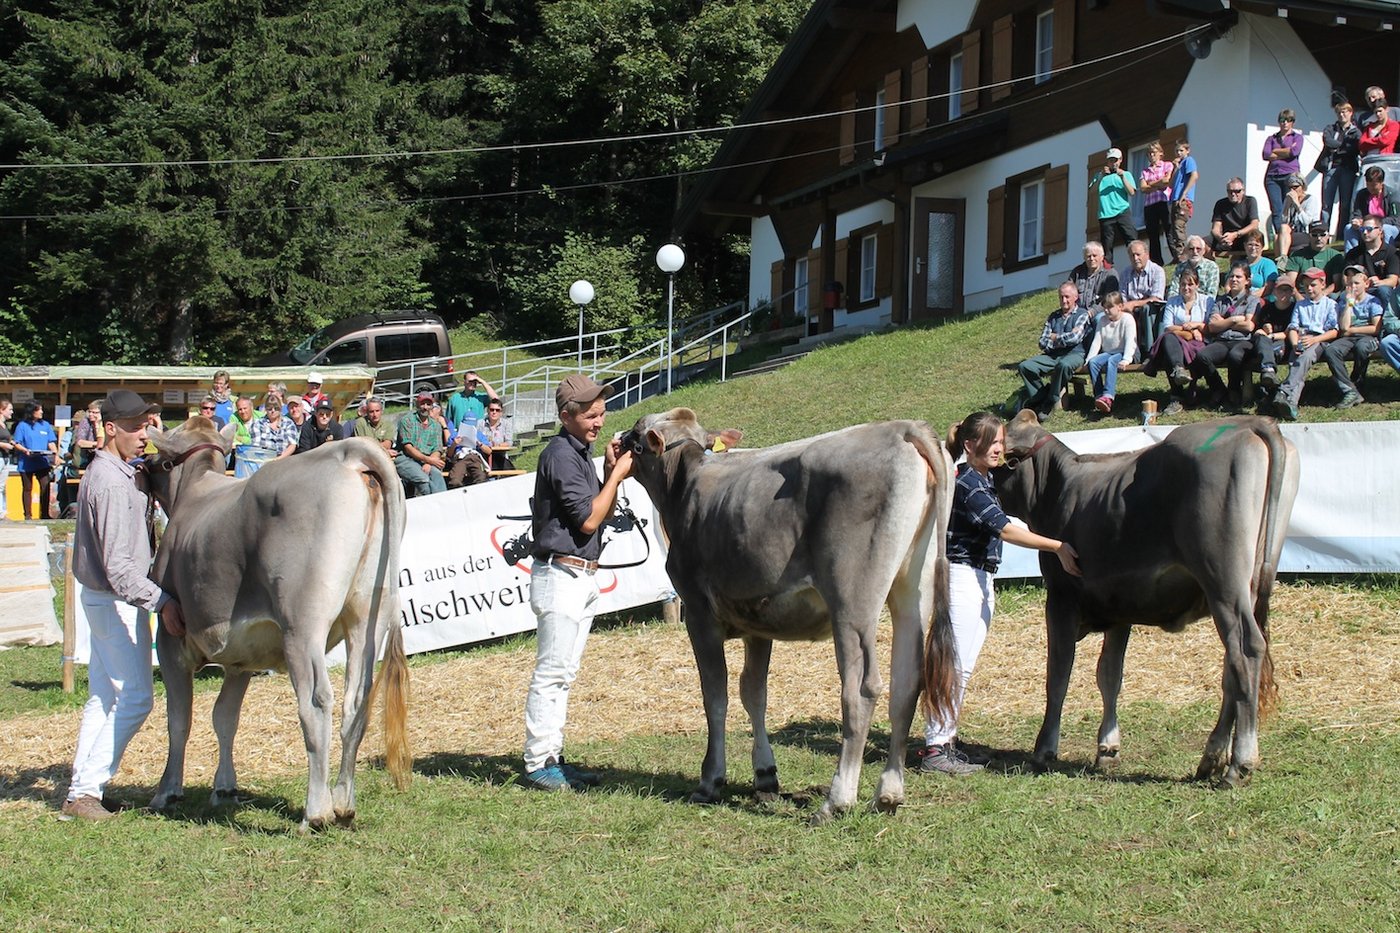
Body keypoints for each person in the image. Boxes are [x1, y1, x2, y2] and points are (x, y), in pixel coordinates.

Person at [918, 411, 1079, 775]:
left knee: (962, 666)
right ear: (969, 445)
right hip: (962, 577)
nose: (999, 448)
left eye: (1001, 441)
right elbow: (1004, 529)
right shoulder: (968, 484)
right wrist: (1057, 546)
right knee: (953, 665)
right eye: (991, 442)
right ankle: (935, 748)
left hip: (978, 577)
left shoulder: (983, 480)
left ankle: (945, 741)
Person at [63, 389, 185, 822]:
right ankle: (85, 792)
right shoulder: (113, 483)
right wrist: (162, 602)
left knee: (104, 697)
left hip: (104, 598)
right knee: (136, 698)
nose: (144, 435)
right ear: (110, 429)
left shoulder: (116, 471)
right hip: (116, 599)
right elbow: (119, 569)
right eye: (134, 428)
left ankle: (81, 791)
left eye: (146, 426)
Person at [521, 374, 633, 791]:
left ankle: (552, 756)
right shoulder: (561, 455)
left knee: (563, 673)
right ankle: (538, 763)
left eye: (601, 413)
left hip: (577, 574)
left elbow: (600, 513)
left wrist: (608, 471)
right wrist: (616, 476)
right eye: (590, 415)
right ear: (566, 416)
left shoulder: (578, 454)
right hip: (561, 575)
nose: (599, 422)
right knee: (553, 673)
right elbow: (588, 520)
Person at [1007, 282, 1091, 423]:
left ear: (1075, 297)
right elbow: (1042, 342)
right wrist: (1063, 337)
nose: (1064, 300)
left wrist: (1055, 337)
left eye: (1067, 297)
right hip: (1053, 355)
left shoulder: (1082, 314)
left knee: (1063, 365)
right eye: (1061, 297)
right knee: (1025, 366)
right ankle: (1040, 396)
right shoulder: (1053, 316)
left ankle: (1050, 401)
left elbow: (1075, 339)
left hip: (1075, 354)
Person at [1142, 267, 1211, 417]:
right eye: (1183, 284)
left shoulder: (1206, 301)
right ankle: (1178, 370)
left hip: (1199, 343)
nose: (1186, 288)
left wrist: (1196, 326)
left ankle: (1178, 394)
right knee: (1168, 341)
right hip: (1177, 341)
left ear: (1197, 285)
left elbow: (1209, 326)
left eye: (1190, 284)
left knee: (1167, 344)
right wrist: (1191, 331)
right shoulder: (1173, 302)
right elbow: (1168, 327)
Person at [1273, 267, 1339, 421]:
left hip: (1320, 340)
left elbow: (1334, 331)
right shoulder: (1300, 304)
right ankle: (1291, 403)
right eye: (1306, 285)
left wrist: (1315, 340)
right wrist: (1295, 344)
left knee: (1304, 358)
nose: (1309, 288)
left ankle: (1284, 391)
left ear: (1323, 284)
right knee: (1295, 363)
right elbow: (1293, 327)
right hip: (1301, 339)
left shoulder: (1330, 304)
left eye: (1313, 285)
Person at [1190, 263, 1259, 409]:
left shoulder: (1252, 300)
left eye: (1238, 277)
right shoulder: (1220, 300)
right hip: (1222, 341)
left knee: (1235, 356)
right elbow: (1212, 326)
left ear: (1247, 280)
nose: (1234, 279)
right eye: (1232, 276)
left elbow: (1248, 326)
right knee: (1202, 356)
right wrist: (1234, 320)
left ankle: (1234, 390)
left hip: (1243, 341)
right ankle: (1218, 388)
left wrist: (1223, 322)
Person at [1321, 267, 1384, 409]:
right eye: (1349, 284)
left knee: (1362, 347)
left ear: (1366, 284)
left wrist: (1352, 330)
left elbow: (1375, 328)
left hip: (1368, 337)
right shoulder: (1344, 301)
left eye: (1356, 283)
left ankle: (1357, 381)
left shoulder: (1373, 301)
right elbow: (1344, 327)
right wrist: (1350, 303)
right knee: (1332, 350)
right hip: (1348, 337)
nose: (1352, 287)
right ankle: (1349, 389)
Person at [1248, 270, 1300, 407]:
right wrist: (1264, 329)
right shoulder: (1267, 308)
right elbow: (1258, 330)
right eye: (1280, 290)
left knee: (1272, 348)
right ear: (1274, 292)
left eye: (1287, 290)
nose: (1283, 293)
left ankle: (1267, 385)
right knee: (1261, 339)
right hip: (1266, 343)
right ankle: (1268, 374)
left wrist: (1272, 335)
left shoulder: (1295, 309)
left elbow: (1291, 331)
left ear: (1292, 292)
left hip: (1285, 344)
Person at [1084, 292, 1136, 415]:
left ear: (1120, 306)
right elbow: (1097, 341)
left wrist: (1126, 359)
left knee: (1111, 361)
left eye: (1110, 307)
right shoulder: (1102, 320)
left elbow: (1130, 341)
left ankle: (1108, 397)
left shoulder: (1127, 319)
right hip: (1109, 352)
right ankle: (1099, 395)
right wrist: (1089, 359)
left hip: (1124, 352)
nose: (1107, 311)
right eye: (1105, 308)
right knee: (1093, 363)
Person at [1320, 100, 1361, 237]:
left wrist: (1338, 147)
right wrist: (1344, 146)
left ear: (1350, 113)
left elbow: (1354, 148)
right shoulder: (1330, 128)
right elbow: (1328, 141)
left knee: (1345, 204)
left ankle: (1341, 235)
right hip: (1331, 168)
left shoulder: (1356, 131)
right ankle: (1323, 233)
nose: (1341, 115)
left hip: (1348, 169)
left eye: (1344, 112)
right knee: (1326, 204)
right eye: (1339, 112)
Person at [1261, 109, 1304, 239]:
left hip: (1290, 176)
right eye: (1282, 120)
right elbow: (1266, 154)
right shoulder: (1272, 138)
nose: (1285, 123)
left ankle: (1292, 237)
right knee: (1276, 209)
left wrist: (1276, 151)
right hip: (1272, 176)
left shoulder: (1297, 137)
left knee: (1290, 207)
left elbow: (1294, 152)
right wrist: (1286, 152)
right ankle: (1280, 237)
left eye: (1288, 120)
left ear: (1292, 122)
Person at [395, 391, 448, 496]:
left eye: (428, 404)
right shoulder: (407, 420)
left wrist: (429, 463)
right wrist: (429, 460)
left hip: (427, 461)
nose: (425, 407)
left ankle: (443, 501)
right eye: (422, 404)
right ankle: (431, 504)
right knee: (424, 480)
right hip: (406, 459)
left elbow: (437, 449)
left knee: (437, 476)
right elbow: (408, 448)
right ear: (417, 404)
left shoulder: (436, 425)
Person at [1092, 148, 1137, 268]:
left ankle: (1138, 263)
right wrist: (1101, 176)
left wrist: (1122, 177)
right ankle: (1107, 270)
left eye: (1115, 160)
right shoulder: (1099, 175)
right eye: (1110, 160)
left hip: (1122, 211)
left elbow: (1132, 192)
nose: (1113, 163)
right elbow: (1092, 191)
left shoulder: (1126, 174)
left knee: (1132, 239)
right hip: (1105, 214)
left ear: (1120, 160)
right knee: (1107, 246)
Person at [1343, 213, 1400, 309]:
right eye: (1362, 229)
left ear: (1380, 230)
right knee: (1342, 295)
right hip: (1359, 291)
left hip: (1379, 289)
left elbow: (1393, 280)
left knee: (1384, 290)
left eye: (1369, 229)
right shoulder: (1353, 253)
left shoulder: (1391, 252)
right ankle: (1351, 316)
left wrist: (1379, 282)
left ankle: (1386, 317)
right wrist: (1362, 284)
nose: (1365, 232)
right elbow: (1345, 279)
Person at [13, 401, 58, 521]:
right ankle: (28, 515)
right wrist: (25, 450)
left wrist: (55, 454)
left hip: (42, 461)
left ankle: (44, 514)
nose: (41, 412)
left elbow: (51, 442)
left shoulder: (45, 425)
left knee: (45, 486)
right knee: (27, 488)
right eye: (39, 410)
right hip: (26, 462)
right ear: (31, 411)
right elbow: (16, 443)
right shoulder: (22, 426)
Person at [1119, 239, 1166, 345]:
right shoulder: (1125, 273)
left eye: (1138, 254)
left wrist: (1134, 304)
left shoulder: (1157, 271)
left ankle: (1150, 349)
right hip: (1130, 309)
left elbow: (1156, 298)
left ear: (1147, 255)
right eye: (1132, 255)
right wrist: (1127, 306)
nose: (1135, 258)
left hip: (1150, 309)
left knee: (1146, 308)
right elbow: (1123, 298)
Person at [1344, 166, 1400, 252]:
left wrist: (1377, 224)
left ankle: (1385, 256)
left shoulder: (1393, 194)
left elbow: (1395, 218)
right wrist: (1356, 220)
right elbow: (1357, 213)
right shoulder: (1361, 194)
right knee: (1349, 228)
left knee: (1385, 229)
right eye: (1368, 184)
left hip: (1388, 226)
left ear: (1381, 182)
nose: (1370, 188)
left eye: (1374, 185)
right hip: (1366, 226)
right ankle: (1352, 256)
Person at [1138, 142, 1173, 267]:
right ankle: (1157, 262)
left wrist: (1151, 184)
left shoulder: (1167, 165)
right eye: (1149, 153)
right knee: (1152, 234)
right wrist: (1158, 184)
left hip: (1164, 201)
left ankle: (1176, 255)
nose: (1152, 155)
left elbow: (1166, 181)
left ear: (1160, 153)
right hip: (1150, 204)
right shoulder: (1145, 171)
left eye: (1154, 152)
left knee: (1169, 228)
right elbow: (1143, 188)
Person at [1287, 222, 1344, 294]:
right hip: (1303, 293)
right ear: (1309, 236)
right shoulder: (1296, 255)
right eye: (1314, 235)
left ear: (1328, 236)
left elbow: (1337, 284)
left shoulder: (1336, 256)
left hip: (1327, 294)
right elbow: (1290, 282)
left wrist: (1322, 295)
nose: (1319, 238)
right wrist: (1299, 298)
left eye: (1322, 235)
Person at [1167, 138, 1199, 265]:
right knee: (1173, 228)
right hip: (1175, 199)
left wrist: (1184, 193)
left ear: (1187, 150)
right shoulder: (1179, 165)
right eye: (1176, 151)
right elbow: (1171, 184)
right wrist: (1175, 168)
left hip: (1184, 200)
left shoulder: (1189, 161)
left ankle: (1184, 253)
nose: (1178, 153)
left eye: (1181, 150)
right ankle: (1178, 254)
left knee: (1179, 225)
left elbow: (1194, 176)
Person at [1210, 178, 1260, 255]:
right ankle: (1209, 263)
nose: (1233, 194)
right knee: (1202, 243)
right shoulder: (1220, 204)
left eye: (1237, 191)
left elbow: (1254, 225)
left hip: (1244, 236)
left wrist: (1235, 234)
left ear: (1243, 191)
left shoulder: (1250, 201)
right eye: (1230, 191)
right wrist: (1221, 238)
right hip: (1227, 238)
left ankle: (1253, 261)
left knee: (1253, 240)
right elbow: (1215, 228)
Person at [1065, 241, 1118, 311]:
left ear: (1102, 257)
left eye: (1094, 255)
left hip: (1101, 312)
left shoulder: (1110, 273)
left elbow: (1110, 298)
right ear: (1084, 257)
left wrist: (1093, 311)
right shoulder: (1077, 272)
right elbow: (1067, 292)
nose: (1091, 259)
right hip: (1077, 312)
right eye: (1088, 256)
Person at [1274, 174, 1318, 257]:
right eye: (1290, 187)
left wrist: (1297, 204)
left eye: (1295, 187)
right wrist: (1287, 205)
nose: (1292, 190)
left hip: (1306, 233)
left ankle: (1283, 258)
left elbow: (1306, 222)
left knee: (1281, 235)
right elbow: (1284, 222)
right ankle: (1281, 260)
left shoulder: (1311, 199)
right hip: (1291, 232)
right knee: (1277, 237)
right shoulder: (1288, 199)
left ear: (1302, 186)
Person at [1167, 235, 1220, 300]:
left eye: (1198, 249)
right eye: (1191, 249)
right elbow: (1173, 291)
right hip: (1181, 303)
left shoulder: (1211, 267)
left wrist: (1193, 303)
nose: (1195, 252)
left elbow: (1211, 294)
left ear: (1203, 251)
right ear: (1186, 251)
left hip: (1203, 304)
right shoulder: (1180, 267)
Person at [248, 391, 299, 459]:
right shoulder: (257, 424)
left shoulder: (288, 423)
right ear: (266, 409)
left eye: (276, 408)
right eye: (269, 409)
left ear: (280, 408)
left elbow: (292, 445)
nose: (273, 411)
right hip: (263, 459)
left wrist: (279, 458)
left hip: (284, 460)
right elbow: (256, 446)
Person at [351, 396, 397, 461]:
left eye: (377, 411)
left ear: (382, 411)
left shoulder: (388, 425)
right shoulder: (361, 423)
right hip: (366, 458)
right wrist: (385, 451)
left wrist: (371, 447)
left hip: (383, 458)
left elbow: (387, 445)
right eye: (371, 412)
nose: (375, 414)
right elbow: (363, 446)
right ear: (367, 412)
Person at [1240, 230, 1278, 298]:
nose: (1253, 248)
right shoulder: (1239, 265)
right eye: (1250, 244)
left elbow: (1269, 288)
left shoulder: (1268, 264)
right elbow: (1228, 286)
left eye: (1257, 245)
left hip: (1262, 299)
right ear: (1245, 245)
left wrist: (1248, 298)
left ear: (1262, 247)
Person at [481, 398, 515, 471]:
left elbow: (509, 442)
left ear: (501, 412)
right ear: (488, 411)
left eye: (497, 410)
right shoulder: (480, 424)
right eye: (492, 410)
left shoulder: (506, 424)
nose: (494, 412)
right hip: (483, 457)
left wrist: (498, 445)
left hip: (501, 456)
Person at [0, 398, 14, 518]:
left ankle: (2, 511)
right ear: (1, 410)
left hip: (5, 457)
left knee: (2, 486)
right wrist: (4, 445)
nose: (12, 412)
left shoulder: (4, 425)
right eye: (10, 409)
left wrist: (12, 443)